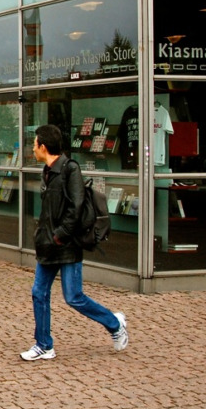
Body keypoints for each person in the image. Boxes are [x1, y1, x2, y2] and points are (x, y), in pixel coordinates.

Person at [21, 124, 128, 361]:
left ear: (43, 146)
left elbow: (76, 208)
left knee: (74, 297)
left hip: (66, 244)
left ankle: (115, 324)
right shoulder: (47, 171)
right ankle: (44, 345)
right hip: (48, 244)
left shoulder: (70, 169)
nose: (32, 148)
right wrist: (45, 236)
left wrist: (60, 235)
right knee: (39, 292)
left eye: (34, 143)